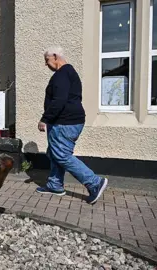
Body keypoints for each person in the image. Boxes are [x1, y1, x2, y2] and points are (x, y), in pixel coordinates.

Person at [37, 46, 108, 205]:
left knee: (62, 155)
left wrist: (45, 119)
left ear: (55, 56)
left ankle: (94, 183)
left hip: (64, 123)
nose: (46, 64)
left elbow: (59, 100)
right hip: (70, 121)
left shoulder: (61, 75)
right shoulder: (69, 73)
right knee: (55, 152)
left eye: (46, 60)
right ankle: (54, 185)